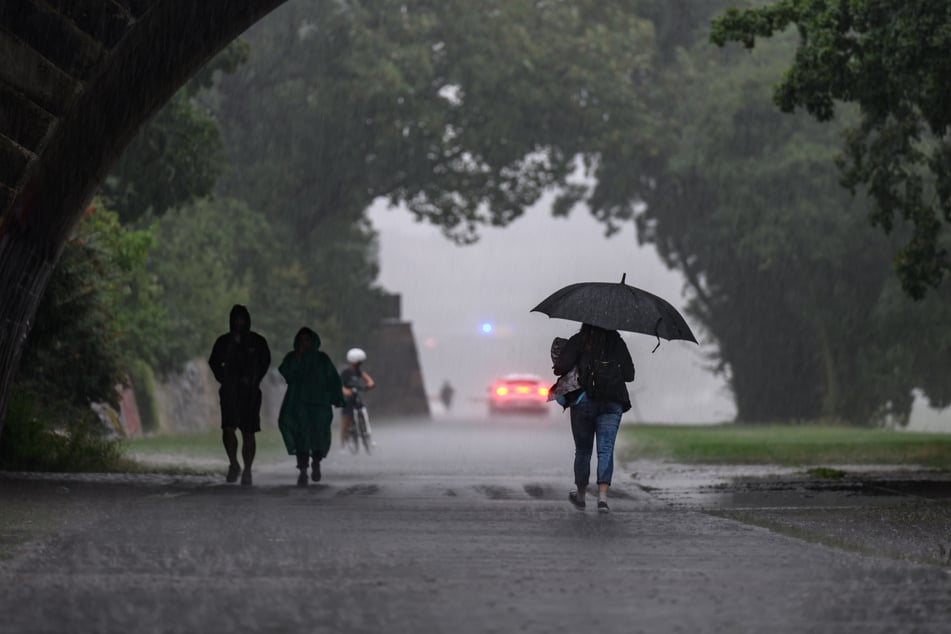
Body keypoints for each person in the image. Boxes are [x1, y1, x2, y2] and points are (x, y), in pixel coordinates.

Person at [552, 323, 635, 513]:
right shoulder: (617, 342)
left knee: (583, 450)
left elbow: (560, 368)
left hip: (583, 401)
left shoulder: (579, 340)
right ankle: (603, 499)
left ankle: (581, 495)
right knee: (605, 450)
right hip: (612, 402)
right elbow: (630, 375)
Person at [208, 304, 271, 486]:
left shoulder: (257, 342)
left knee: (249, 431)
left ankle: (248, 470)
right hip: (229, 392)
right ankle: (234, 463)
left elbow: (265, 362)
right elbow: (214, 362)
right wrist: (225, 378)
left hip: (250, 393)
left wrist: (254, 379)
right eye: (236, 319)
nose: (239, 322)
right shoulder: (223, 342)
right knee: (228, 428)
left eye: (242, 319)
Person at [277, 327, 344, 486]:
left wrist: (336, 397)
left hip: (319, 404)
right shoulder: (293, 358)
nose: (305, 343)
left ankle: (316, 462)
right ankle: (302, 471)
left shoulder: (322, 359)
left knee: (318, 435)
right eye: (301, 340)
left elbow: (332, 378)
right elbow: (287, 374)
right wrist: (298, 358)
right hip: (299, 403)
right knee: (301, 436)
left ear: (313, 341)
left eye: (307, 340)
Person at [339, 348, 375, 451]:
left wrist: (369, 384)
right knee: (346, 419)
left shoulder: (358, 372)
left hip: (356, 397)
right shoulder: (345, 372)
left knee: (363, 410)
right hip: (346, 399)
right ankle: (343, 442)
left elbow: (368, 379)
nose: (360, 364)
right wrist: (345, 391)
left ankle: (365, 433)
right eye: (359, 362)